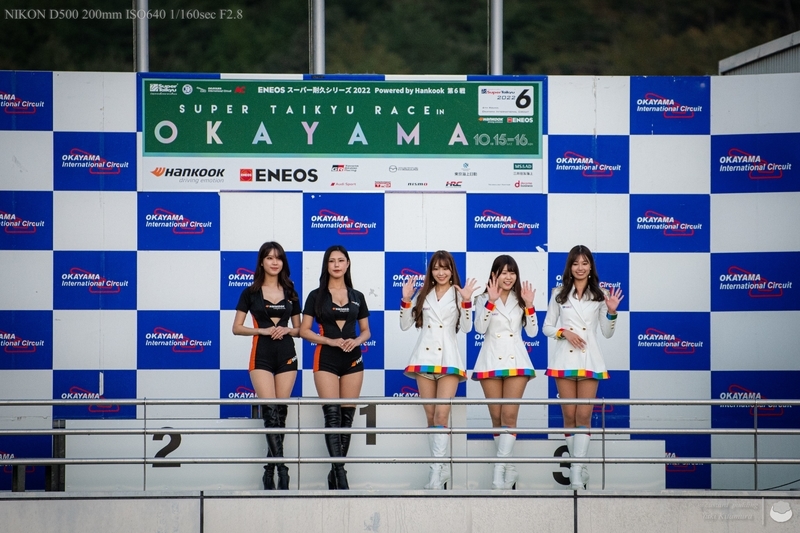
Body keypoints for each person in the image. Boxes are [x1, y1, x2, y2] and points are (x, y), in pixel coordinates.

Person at [542, 245, 623, 490]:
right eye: (576, 263)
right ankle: (579, 467)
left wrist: (611, 312)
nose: (580, 267)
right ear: (570, 266)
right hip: (564, 361)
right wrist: (563, 332)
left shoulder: (600, 294)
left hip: (590, 360)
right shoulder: (558, 293)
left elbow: (607, 333)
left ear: (590, 267)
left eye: (585, 263)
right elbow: (546, 327)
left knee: (584, 416)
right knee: (569, 416)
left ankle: (576, 471)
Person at [399, 251, 477, 490]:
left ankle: (435, 473)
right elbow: (404, 325)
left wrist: (466, 301)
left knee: (442, 416)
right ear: (430, 271)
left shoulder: (459, 293)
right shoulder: (423, 294)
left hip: (449, 360)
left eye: (445, 268)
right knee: (431, 416)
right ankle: (439, 469)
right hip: (423, 359)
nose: (440, 273)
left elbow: (467, 327)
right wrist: (406, 299)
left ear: (452, 270)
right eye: (436, 268)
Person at [299, 245, 370, 490]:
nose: (337, 265)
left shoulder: (358, 295)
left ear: (348, 264)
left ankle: (335, 474)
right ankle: (340, 474)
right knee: (332, 416)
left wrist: (357, 341)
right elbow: (303, 331)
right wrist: (329, 340)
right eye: (332, 261)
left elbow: (366, 331)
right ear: (326, 265)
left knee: (346, 419)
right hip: (325, 358)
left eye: (341, 260)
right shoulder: (315, 296)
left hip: (353, 360)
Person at [231, 241, 300, 490]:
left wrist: (287, 330)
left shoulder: (291, 290)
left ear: (283, 262)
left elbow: (300, 329)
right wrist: (263, 330)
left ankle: (269, 470)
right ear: (261, 262)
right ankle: (282, 469)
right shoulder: (250, 292)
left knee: (280, 413)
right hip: (260, 355)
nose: (274, 262)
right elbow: (236, 327)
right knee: (270, 413)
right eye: (269, 257)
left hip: (287, 355)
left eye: (278, 258)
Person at [472, 255, 538, 490]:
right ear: (494, 275)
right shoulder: (482, 298)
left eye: (512, 272)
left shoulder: (522, 299)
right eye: (504, 272)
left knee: (509, 416)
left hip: (516, 360)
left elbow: (532, 332)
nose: (508, 277)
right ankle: (509, 469)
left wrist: (530, 306)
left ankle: (499, 470)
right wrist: (490, 302)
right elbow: (479, 328)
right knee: (497, 418)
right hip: (490, 360)